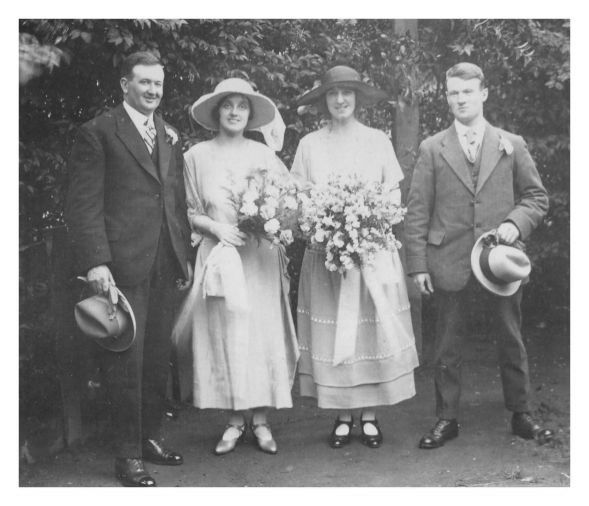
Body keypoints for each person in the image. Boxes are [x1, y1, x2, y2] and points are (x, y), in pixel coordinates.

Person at [404, 62, 554, 449]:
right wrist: (418, 265)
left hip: (498, 261)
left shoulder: (511, 143)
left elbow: (536, 198)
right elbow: (418, 210)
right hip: (448, 260)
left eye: (467, 92)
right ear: (447, 97)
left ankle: (521, 414)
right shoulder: (432, 148)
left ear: (484, 94)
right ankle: (446, 419)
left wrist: (515, 224)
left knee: (510, 337)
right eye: (453, 92)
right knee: (446, 344)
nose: (460, 99)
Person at [65, 51, 193, 486]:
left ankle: (150, 438)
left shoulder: (167, 132)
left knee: (157, 358)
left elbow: (173, 200)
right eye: (144, 83)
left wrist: (182, 257)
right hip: (120, 267)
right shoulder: (98, 132)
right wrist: (96, 261)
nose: (153, 91)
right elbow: (84, 204)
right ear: (125, 85)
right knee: (125, 363)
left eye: (158, 84)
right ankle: (126, 456)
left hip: (162, 261)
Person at [292, 65, 419, 449]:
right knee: (334, 331)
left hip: (371, 255)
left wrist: (369, 227)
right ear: (323, 101)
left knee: (369, 330)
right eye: (333, 94)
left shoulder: (377, 140)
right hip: (327, 257)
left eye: (347, 93)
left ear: (358, 98)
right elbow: (298, 198)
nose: (341, 100)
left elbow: (393, 195)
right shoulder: (309, 145)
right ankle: (342, 415)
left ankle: (369, 415)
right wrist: (322, 226)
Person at [173, 77, 299, 456]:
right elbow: (188, 210)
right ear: (216, 111)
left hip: (258, 257)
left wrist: (267, 222)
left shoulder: (265, 157)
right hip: (219, 257)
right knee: (225, 334)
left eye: (242, 106)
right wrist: (217, 228)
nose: (234, 112)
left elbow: (288, 204)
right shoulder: (196, 156)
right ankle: (232, 421)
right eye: (227, 105)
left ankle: (260, 421)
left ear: (250, 113)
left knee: (259, 334)